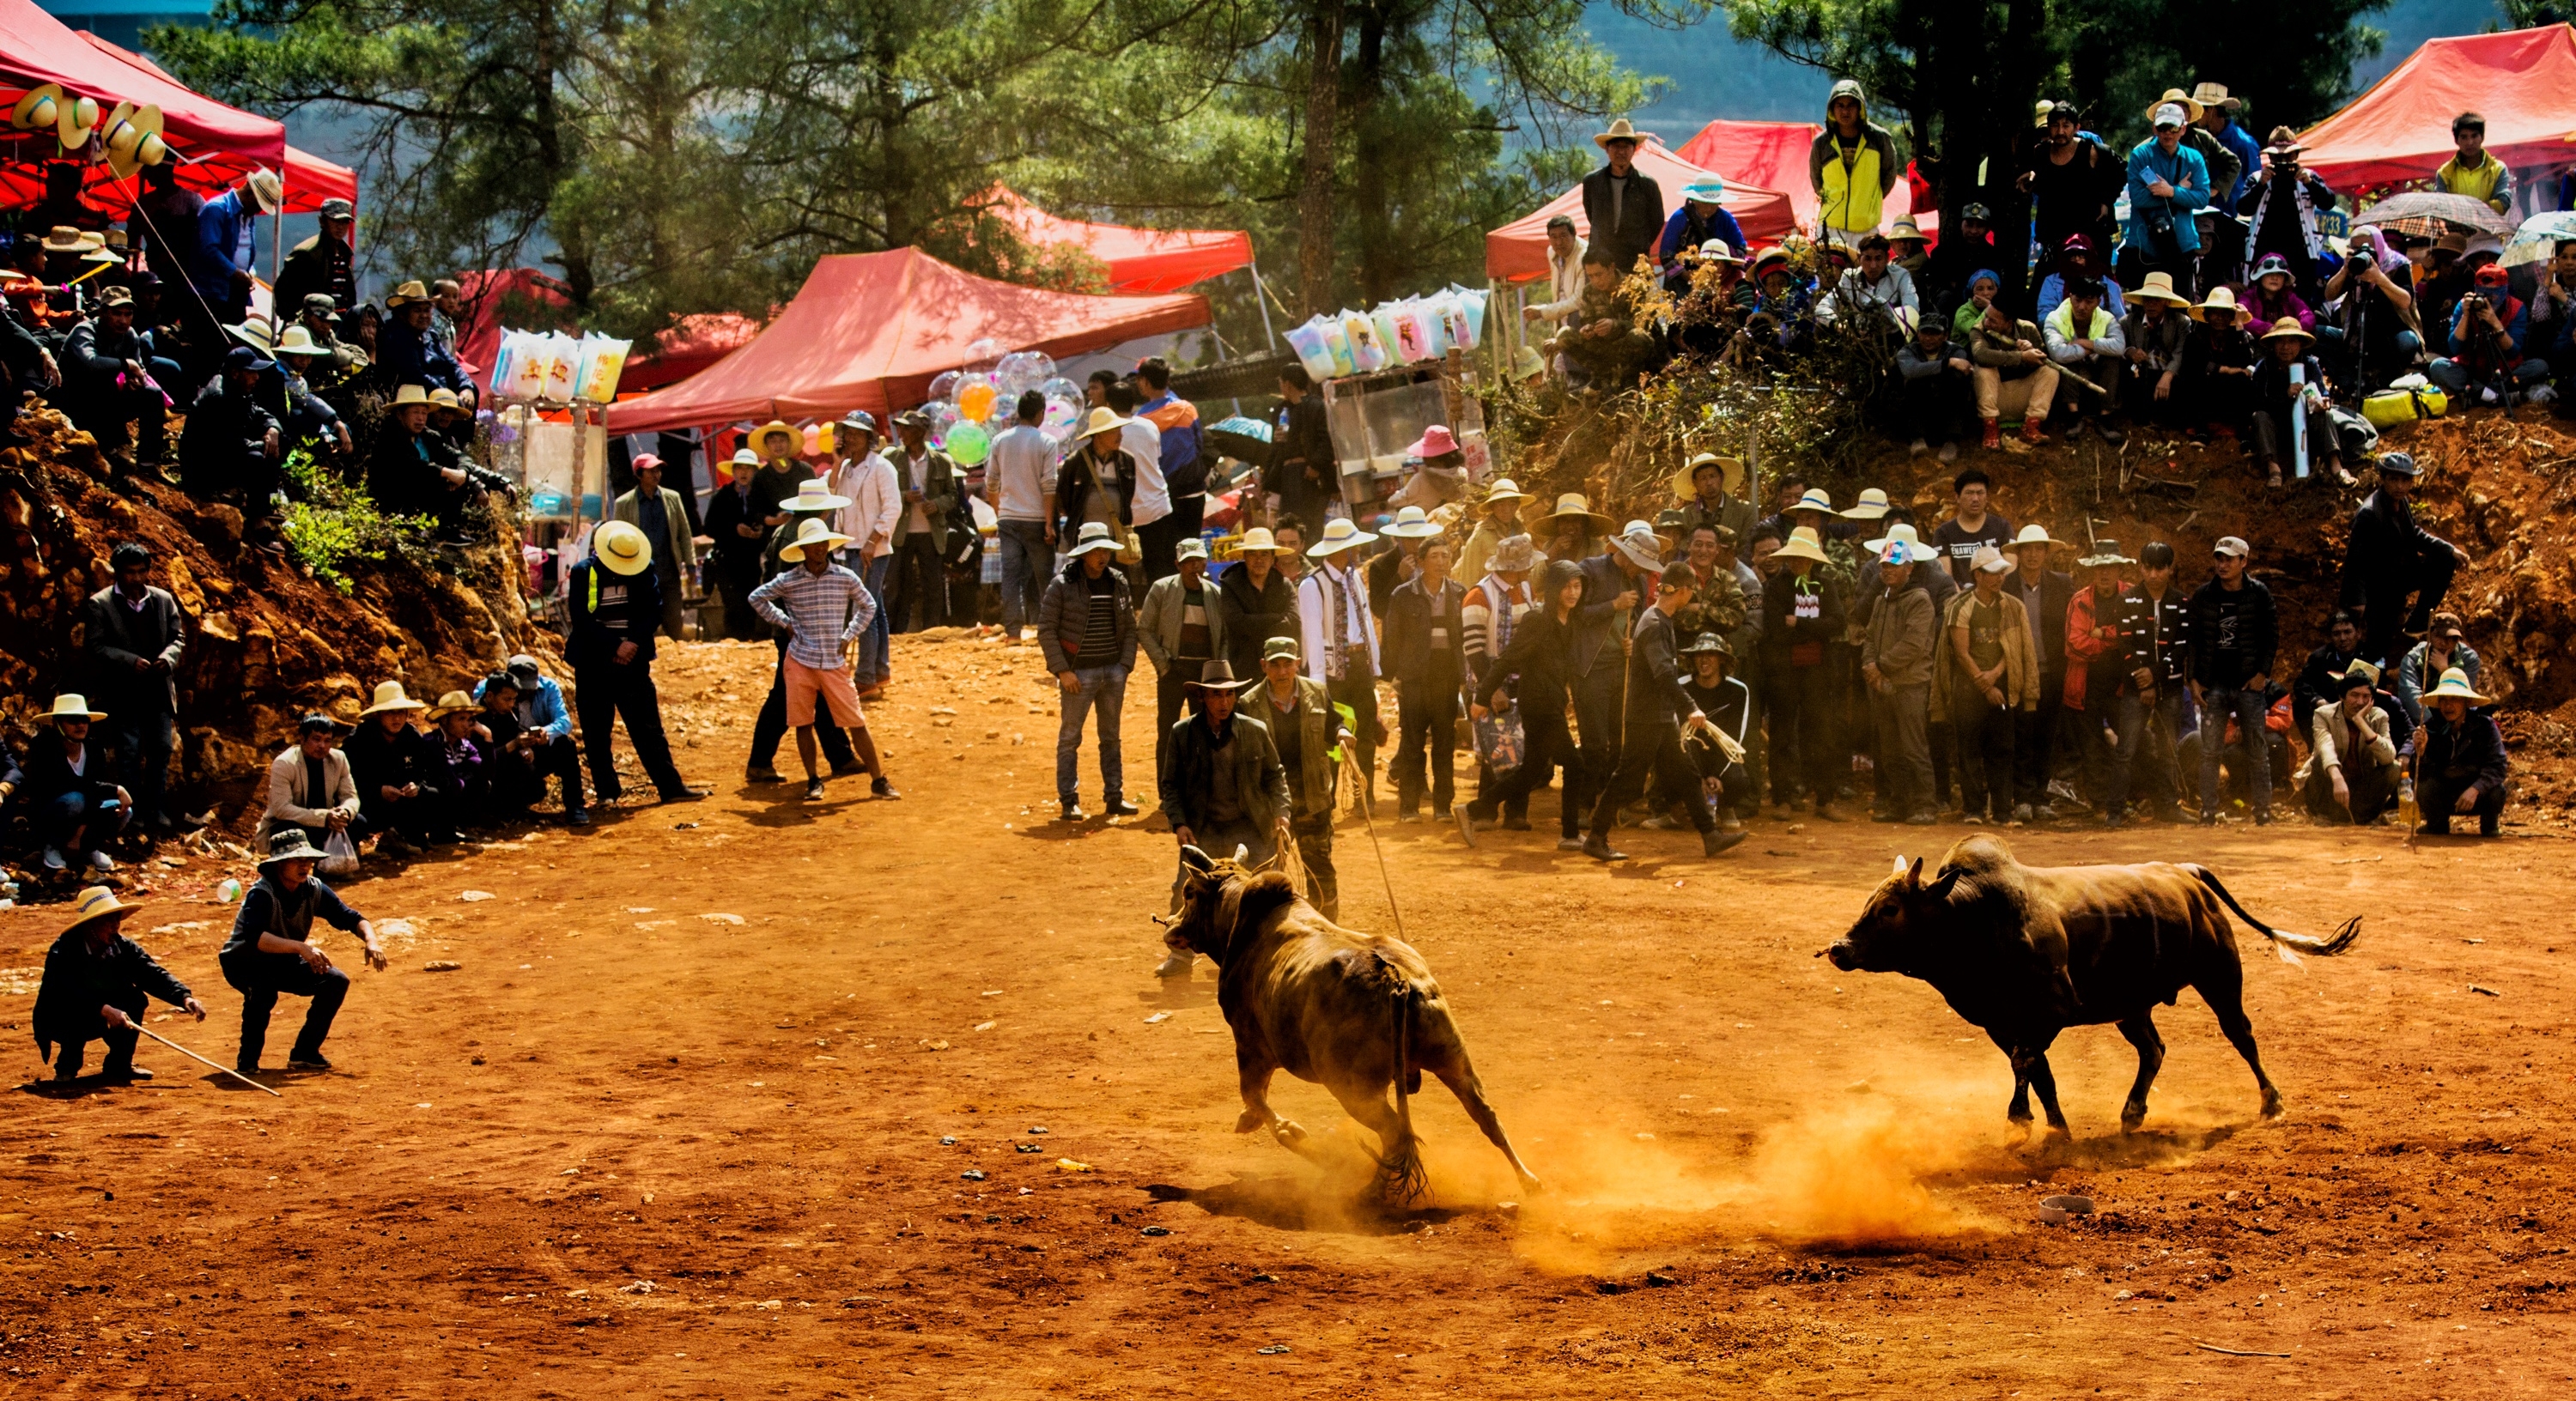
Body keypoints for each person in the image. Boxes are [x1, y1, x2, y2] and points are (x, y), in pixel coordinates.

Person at [1583, 561, 1747, 861]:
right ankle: (1595, 837)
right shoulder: (1656, 624)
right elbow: (1663, 675)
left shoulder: (1659, 620)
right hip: (1647, 717)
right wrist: (1691, 708)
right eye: (1691, 592)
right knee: (1627, 779)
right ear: (1683, 592)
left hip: (1659, 716)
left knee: (1687, 774)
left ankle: (1710, 835)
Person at [750, 516, 893, 804]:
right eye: (814, 544)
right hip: (801, 660)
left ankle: (878, 779)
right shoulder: (789, 580)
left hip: (832, 661)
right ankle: (813, 780)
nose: (819, 549)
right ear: (803, 549)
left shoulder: (844, 577)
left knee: (856, 721)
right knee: (803, 723)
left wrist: (848, 635)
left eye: (823, 543)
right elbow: (756, 597)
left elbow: (868, 605)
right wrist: (784, 622)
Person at [221, 828, 386, 1076]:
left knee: (335, 981)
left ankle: (305, 1053)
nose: (305, 866)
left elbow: (351, 917)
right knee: (263, 993)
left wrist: (371, 941)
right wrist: (301, 947)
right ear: (279, 864)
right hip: (244, 962)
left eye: (308, 860)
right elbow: (256, 939)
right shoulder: (261, 894)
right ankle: (248, 1062)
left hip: (281, 958)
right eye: (298, 860)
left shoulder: (313, 888)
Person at [568, 519, 706, 806]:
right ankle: (607, 792)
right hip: (594, 662)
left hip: (633, 661)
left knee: (648, 727)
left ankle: (670, 786)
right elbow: (581, 619)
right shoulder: (583, 573)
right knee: (596, 730)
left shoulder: (644, 570)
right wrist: (615, 645)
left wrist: (631, 643)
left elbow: (654, 611)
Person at [1461, 559, 1590, 849]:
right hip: (1538, 705)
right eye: (1567, 586)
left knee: (1530, 771)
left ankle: (1471, 810)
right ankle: (1569, 834)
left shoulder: (1569, 621)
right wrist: (1482, 698)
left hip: (1552, 703)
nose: (1572, 592)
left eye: (1577, 586)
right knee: (1575, 764)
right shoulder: (1537, 620)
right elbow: (1508, 659)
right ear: (1555, 587)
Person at [32, 887, 206, 1085]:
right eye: (108, 921)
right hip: (62, 1015)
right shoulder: (64, 950)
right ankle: (66, 1068)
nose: (115, 926)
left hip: (102, 1010)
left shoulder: (122, 947)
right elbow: (66, 992)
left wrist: (184, 996)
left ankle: (119, 1064)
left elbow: (150, 972)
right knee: (74, 1012)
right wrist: (104, 1009)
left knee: (134, 999)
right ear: (90, 925)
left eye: (117, 920)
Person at [1231, 636, 1349, 925]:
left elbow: (1334, 722)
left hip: (1313, 796)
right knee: (1267, 871)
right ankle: (1268, 932)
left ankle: (1326, 929)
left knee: (1319, 866)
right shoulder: (1248, 703)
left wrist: (1342, 733)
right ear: (1264, 666)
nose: (1282, 672)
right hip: (1270, 803)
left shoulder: (1318, 692)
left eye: (1288, 664)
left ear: (1298, 664)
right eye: (1275, 665)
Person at [82, 542, 185, 835]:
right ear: (117, 572)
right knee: (128, 754)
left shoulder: (163, 600)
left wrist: (168, 659)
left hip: (158, 692)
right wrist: (129, 661)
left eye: (142, 571)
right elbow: (95, 645)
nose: (137, 579)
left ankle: (157, 810)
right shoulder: (100, 604)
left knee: (161, 751)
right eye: (130, 573)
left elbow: (178, 638)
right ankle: (133, 813)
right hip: (124, 693)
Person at [1040, 521, 1139, 821]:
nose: (1102, 556)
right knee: (1070, 738)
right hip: (1077, 675)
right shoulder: (1062, 585)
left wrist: (1124, 666)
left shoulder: (1118, 581)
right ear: (1083, 554)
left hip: (1112, 672)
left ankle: (1114, 797)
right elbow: (1046, 630)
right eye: (1096, 550)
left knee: (1111, 736)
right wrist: (1062, 671)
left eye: (1105, 550)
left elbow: (1130, 628)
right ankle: (1069, 801)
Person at [1158, 658, 1294, 874]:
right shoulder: (1182, 733)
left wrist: (1281, 811)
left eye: (1229, 694)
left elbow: (1274, 776)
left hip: (1249, 825)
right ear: (1202, 696)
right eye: (1216, 694)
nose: (1224, 703)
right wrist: (1179, 823)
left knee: (1265, 889)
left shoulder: (1255, 731)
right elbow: (1171, 785)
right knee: (1187, 895)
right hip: (1204, 829)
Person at [1934, 546, 2037, 825]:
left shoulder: (2011, 607)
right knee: (1969, 750)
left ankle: (2002, 811)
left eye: (2002, 571)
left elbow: (2012, 649)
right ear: (1978, 575)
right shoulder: (1961, 607)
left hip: (1999, 685)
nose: (2000, 577)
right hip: (1968, 689)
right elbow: (1961, 653)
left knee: (2002, 748)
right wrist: (1985, 684)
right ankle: (1974, 810)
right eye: (1993, 572)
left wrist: (1995, 676)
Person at [2333, 452, 2461, 672]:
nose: (2400, 486)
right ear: (2382, 479)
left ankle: (2418, 622)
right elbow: (2356, 561)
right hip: (2378, 588)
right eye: (2394, 479)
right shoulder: (2369, 514)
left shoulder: (2401, 502)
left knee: (2445, 560)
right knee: (2378, 646)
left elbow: (2415, 535)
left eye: (2405, 480)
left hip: (2400, 575)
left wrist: (2450, 549)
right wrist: (2358, 601)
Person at [2190, 536, 2277, 824]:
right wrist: (2194, 679)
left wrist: (2262, 674)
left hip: (2247, 684)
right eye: (2219, 558)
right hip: (2213, 683)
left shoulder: (2259, 593)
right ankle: (2208, 811)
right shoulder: (2203, 595)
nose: (2222, 564)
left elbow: (2270, 636)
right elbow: (2194, 641)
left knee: (2257, 748)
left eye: (2229, 559)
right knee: (2210, 751)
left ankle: (2263, 809)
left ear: (2244, 561)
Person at [1297, 517, 1385, 804]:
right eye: (1353, 548)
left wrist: (1374, 665)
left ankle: (1365, 794)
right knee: (1332, 737)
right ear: (1340, 551)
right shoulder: (1313, 585)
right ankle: (1329, 796)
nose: (1357, 553)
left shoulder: (1354, 577)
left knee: (1367, 731)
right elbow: (1312, 635)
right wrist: (1319, 684)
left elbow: (1366, 623)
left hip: (1360, 665)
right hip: (1334, 672)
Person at [2105, 541, 2190, 828]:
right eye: (2148, 567)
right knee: (2126, 749)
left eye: (2160, 568)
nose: (2153, 574)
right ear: (2140, 567)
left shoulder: (2181, 602)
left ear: (2170, 569)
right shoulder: (2126, 600)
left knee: (2169, 750)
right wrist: (2143, 681)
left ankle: (2169, 806)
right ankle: (2114, 811)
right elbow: (2124, 644)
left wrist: (2154, 675)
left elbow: (2181, 648)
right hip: (2134, 686)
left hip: (2171, 686)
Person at [1762, 525, 1845, 818]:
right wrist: (1814, 630)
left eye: (1804, 557)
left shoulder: (1827, 586)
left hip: (1818, 672)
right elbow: (1774, 630)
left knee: (1821, 732)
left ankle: (1825, 799)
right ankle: (1782, 798)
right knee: (1782, 733)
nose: (1798, 562)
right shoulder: (1775, 587)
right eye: (1794, 557)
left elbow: (1838, 624)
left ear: (1814, 559)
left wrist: (1798, 623)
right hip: (1784, 672)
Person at [1385, 537, 1468, 822]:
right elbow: (1392, 637)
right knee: (1413, 741)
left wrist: (1463, 673)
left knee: (1445, 741)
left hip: (1446, 674)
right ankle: (1409, 807)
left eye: (1446, 555)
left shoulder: (1459, 593)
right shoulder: (1403, 595)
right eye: (1435, 556)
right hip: (1414, 675)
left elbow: (1464, 637)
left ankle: (1443, 806)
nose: (1441, 561)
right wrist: (1393, 675)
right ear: (1420, 562)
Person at [1139, 537, 1230, 782]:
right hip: (1173, 670)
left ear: (1206, 563)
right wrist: (1163, 665)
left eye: (1199, 561)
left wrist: (1218, 670)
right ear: (1177, 564)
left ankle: (1200, 788)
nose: (1194, 568)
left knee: (1204, 732)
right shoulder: (1162, 589)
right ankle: (1166, 790)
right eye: (1188, 562)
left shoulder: (1216, 594)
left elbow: (1224, 636)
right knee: (1168, 731)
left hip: (1204, 675)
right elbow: (1144, 629)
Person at [1858, 541, 1937, 825]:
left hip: (1910, 685)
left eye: (1894, 565)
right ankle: (1901, 803)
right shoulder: (1882, 600)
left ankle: (1926, 805)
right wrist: (1870, 666)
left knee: (1913, 747)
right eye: (1884, 566)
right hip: (1882, 685)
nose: (1888, 570)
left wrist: (1879, 667)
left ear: (1909, 567)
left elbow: (1914, 645)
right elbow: (1869, 637)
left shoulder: (1920, 600)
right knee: (1889, 749)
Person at [59, 285, 171, 469]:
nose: (123, 320)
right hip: (75, 401)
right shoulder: (85, 331)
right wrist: (127, 365)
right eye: (117, 314)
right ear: (102, 312)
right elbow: (91, 362)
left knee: (153, 394)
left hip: (106, 399)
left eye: (128, 314)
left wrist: (135, 381)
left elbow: (139, 369)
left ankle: (148, 462)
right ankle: (111, 447)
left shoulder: (129, 336)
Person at [830, 411, 902, 691]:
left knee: (864, 611)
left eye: (858, 434)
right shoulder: (846, 467)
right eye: (848, 433)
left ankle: (866, 678)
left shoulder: (882, 467)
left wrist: (873, 541)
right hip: (849, 547)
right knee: (875, 609)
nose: (851, 438)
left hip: (871, 548)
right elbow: (830, 492)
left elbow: (893, 508)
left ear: (869, 438)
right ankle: (880, 670)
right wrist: (837, 463)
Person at [2008, 525, 2074, 822]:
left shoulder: (2062, 585)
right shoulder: (2006, 585)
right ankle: (2021, 796)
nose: (2033, 555)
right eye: (2027, 549)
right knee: (2021, 733)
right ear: (2018, 553)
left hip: (2053, 670)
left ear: (2046, 553)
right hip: (2018, 672)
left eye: (2038, 549)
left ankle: (2041, 797)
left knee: (2048, 736)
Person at [22, 693, 130, 874]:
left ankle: (88, 847)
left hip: (84, 810)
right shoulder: (42, 747)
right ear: (58, 724)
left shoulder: (94, 748)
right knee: (75, 800)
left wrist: (78, 835)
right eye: (73, 720)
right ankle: (52, 846)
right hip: (52, 811)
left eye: (84, 720)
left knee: (123, 810)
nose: (80, 725)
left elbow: (93, 791)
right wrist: (116, 789)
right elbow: (64, 785)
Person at [473, 655, 587, 825]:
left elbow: (564, 722)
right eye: (509, 697)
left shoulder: (549, 688)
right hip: (501, 752)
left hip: (533, 747)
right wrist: (514, 745)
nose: (524, 693)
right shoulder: (488, 690)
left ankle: (575, 806)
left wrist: (544, 733)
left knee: (566, 745)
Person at [183, 346, 284, 523]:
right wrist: (263, 445)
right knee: (257, 458)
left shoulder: (234, 388)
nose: (257, 377)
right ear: (236, 373)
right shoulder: (219, 398)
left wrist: (273, 429)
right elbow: (230, 443)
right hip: (201, 468)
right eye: (251, 372)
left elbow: (258, 412)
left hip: (220, 454)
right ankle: (258, 521)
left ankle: (262, 507)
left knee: (276, 441)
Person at [986, 391, 1056, 641]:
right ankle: (1048, 631)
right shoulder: (1047, 441)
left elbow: (991, 482)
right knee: (1045, 578)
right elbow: (1049, 484)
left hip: (1008, 518)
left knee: (1011, 576)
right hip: (1036, 518)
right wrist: (1049, 522)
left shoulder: (1000, 441)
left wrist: (999, 510)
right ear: (1040, 413)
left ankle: (1013, 632)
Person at [2404, 667, 2508, 837]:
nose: (2448, 705)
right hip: (2445, 795)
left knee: (2497, 791)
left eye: (2454, 699)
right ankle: (2436, 824)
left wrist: (2476, 789)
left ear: (2466, 702)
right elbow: (2419, 776)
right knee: (2423, 787)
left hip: (2476, 795)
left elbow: (2498, 766)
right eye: (2444, 699)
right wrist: (2421, 753)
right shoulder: (2431, 728)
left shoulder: (2485, 726)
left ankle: (2490, 825)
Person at [2431, 264, 2553, 407]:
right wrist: (2466, 316)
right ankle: (2496, 396)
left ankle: (2483, 394)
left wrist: (2495, 322)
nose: (2489, 298)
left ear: (2505, 290)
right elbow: (2455, 348)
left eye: (2495, 293)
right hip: (2472, 369)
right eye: (2483, 292)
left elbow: (2513, 351)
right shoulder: (2465, 305)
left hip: (2505, 369)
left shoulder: (2517, 308)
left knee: (2539, 366)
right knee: (2438, 366)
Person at [2297, 660, 2401, 825]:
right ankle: (2324, 814)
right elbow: (2325, 746)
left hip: (2360, 788)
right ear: (2342, 696)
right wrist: (2337, 776)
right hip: (2331, 784)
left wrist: (2361, 723)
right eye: (2354, 695)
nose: (2360, 702)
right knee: (2319, 761)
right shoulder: (2324, 714)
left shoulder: (2379, 716)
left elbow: (2388, 757)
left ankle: (2364, 816)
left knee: (2394, 768)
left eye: (2366, 697)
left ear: (2372, 700)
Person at [343, 680, 444, 851]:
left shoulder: (412, 736)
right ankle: (351, 847)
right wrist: (377, 791)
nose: (396, 718)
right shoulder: (359, 739)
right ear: (378, 715)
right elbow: (346, 779)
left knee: (433, 795)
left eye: (400, 712)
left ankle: (408, 837)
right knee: (354, 816)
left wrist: (416, 787)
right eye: (390, 713)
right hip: (369, 803)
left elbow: (425, 771)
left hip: (402, 802)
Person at [2125, 102, 2212, 297]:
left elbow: (2202, 198)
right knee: (2143, 307)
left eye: (2173, 128)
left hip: (2182, 244)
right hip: (2144, 245)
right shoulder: (2140, 155)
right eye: (2163, 128)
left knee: (2181, 309)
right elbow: (2138, 198)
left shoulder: (2194, 158)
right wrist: (2181, 192)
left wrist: (2171, 191)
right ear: (2155, 128)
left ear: (2183, 129)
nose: (2168, 133)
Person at [2020, 104, 2123, 269]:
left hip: (2090, 233)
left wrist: (2106, 200)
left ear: (2076, 128)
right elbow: (2042, 177)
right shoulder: (2041, 152)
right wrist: (2034, 176)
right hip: (2056, 233)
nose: (2060, 131)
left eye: (2066, 126)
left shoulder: (2091, 150)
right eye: (2055, 126)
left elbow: (2120, 171)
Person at [885, 409, 960, 632]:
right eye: (900, 428)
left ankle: (931, 629)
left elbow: (953, 495)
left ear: (921, 432)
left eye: (907, 428)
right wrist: (904, 497)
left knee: (933, 584)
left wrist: (937, 505)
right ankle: (895, 631)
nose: (901, 433)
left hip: (931, 532)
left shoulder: (940, 462)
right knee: (898, 584)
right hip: (901, 532)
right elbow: (882, 494)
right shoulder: (891, 459)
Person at [610, 454, 698, 640]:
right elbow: (618, 538)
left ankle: (676, 660)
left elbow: (684, 533)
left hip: (669, 570)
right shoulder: (624, 504)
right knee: (642, 621)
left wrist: (690, 564)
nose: (656, 474)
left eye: (658, 470)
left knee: (674, 619)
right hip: (639, 573)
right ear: (639, 474)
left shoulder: (672, 498)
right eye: (651, 471)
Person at [2248, 317, 2341, 488]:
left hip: (2307, 429)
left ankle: (2336, 466)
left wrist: (2323, 403)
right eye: (2280, 342)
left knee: (2325, 415)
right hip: (2277, 429)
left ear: (2300, 344)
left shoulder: (2310, 365)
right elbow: (2257, 402)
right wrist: (2285, 395)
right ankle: (2273, 469)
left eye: (2291, 341)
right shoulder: (2264, 368)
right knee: (2259, 417)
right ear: (2273, 345)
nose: (2286, 347)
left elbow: (2322, 393)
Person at [2239, 136, 2337, 297]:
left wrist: (2310, 183)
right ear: (2270, 157)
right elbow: (2244, 208)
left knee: (2300, 298)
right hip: (2265, 250)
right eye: (2278, 158)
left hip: (2300, 253)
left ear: (2296, 156)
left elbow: (2328, 203)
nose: (2283, 162)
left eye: (2288, 157)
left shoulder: (2309, 176)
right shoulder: (2257, 178)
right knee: (2261, 297)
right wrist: (2260, 186)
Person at [1134, 358, 1204, 582]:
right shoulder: (1187, 410)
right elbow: (1200, 445)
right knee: (1192, 549)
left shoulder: (1140, 421)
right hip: (1193, 491)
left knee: (1168, 555)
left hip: (1163, 497)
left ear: (1144, 382)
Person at [702, 448, 781, 640]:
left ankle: (747, 644)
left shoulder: (761, 497)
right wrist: (733, 529)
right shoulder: (721, 497)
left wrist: (760, 532)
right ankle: (734, 642)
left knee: (750, 603)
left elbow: (771, 525)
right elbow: (710, 527)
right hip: (727, 561)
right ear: (734, 471)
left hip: (751, 561)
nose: (744, 473)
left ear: (755, 472)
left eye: (748, 469)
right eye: (740, 468)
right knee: (733, 605)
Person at [1546, 252, 1659, 385]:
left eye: (1599, 274)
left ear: (1611, 267)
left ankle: (1631, 381)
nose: (1596, 281)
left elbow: (1646, 325)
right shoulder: (1589, 291)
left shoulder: (1635, 287)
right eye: (1591, 276)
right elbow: (1588, 320)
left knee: (1638, 336)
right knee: (1565, 334)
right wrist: (1588, 329)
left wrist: (1615, 325)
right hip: (1604, 350)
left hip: (1631, 348)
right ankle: (1602, 376)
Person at [1810, 80, 1899, 246]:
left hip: (1867, 227)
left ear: (1860, 108)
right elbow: (1817, 181)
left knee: (1865, 271)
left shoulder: (1880, 139)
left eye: (1851, 105)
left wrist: (1870, 200)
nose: (1845, 111)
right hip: (1830, 226)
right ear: (1832, 109)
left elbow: (1889, 175)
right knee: (1831, 272)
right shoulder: (1821, 142)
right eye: (1840, 106)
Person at [1965, 298, 2060, 450]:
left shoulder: (2028, 329)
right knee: (1983, 369)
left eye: (1993, 321)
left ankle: (2031, 426)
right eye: (1986, 316)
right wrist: (2020, 357)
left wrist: (2032, 349)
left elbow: (2044, 359)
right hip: (1995, 397)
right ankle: (1990, 428)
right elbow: (1981, 355)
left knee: (2050, 371)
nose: (1987, 322)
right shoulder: (1979, 330)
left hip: (2022, 397)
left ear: (2009, 323)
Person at [2042, 280, 2127, 443]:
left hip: (2097, 369)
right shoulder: (2055, 318)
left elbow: (2119, 347)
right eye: (2078, 300)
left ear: (2098, 302)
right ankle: (2073, 416)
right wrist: (2089, 350)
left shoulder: (2107, 318)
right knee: (2067, 361)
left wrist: (2086, 344)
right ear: (2070, 297)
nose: (2082, 307)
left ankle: (2105, 418)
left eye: (2089, 301)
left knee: (2112, 361)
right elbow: (2058, 353)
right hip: (2073, 371)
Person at [1583, 118, 1666, 276]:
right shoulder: (1592, 181)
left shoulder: (1647, 185)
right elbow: (1591, 215)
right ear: (1607, 149)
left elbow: (1656, 221)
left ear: (1634, 149)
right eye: (1616, 147)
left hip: (1634, 262)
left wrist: (1638, 242)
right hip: (1600, 261)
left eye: (1626, 147)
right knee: (1599, 301)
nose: (1621, 152)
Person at [263, 713, 361, 845]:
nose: (322, 745)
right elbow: (282, 809)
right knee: (285, 830)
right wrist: (324, 817)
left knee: (359, 822)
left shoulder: (338, 759)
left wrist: (345, 812)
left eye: (327, 740)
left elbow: (350, 796)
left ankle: (330, 863)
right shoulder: (285, 763)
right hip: (298, 822)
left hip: (328, 823)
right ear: (302, 739)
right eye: (316, 739)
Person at [1213, 526, 1298, 677]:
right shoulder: (1230, 585)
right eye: (1253, 554)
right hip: (1243, 667)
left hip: (1280, 667)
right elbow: (1236, 622)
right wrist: (1277, 618)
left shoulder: (1284, 585)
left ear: (1273, 558)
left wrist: (1252, 624)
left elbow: (1293, 622)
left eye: (1264, 554)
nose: (1259, 559)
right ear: (1245, 557)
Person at [1891, 314, 1974, 461]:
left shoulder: (1956, 350)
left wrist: (1948, 365)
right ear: (1918, 333)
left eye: (1934, 333)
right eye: (1924, 333)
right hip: (1919, 406)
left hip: (1946, 405)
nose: (1928, 338)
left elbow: (1962, 368)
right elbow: (1911, 370)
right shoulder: (1908, 351)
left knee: (1956, 379)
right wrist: (1948, 363)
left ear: (1945, 335)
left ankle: (1951, 440)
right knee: (1915, 382)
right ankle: (1917, 438)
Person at [374, 281, 472, 403]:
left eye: (427, 310)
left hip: (439, 393)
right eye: (417, 311)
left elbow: (452, 364)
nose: (424, 315)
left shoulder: (429, 335)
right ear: (402, 314)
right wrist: (447, 395)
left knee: (471, 393)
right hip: (414, 399)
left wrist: (466, 387)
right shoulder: (396, 337)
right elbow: (416, 375)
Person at [1266, 367, 1334, 540]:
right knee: (1290, 523)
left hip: (1308, 474)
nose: (1280, 388)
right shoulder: (1282, 410)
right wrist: (1276, 438)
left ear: (1288, 384)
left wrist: (1316, 465)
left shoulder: (1316, 406)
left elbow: (1327, 439)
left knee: (1310, 524)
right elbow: (1276, 445)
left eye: (1281, 383)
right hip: (1288, 475)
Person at [2119, 271, 2194, 427]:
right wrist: (2131, 352)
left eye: (2156, 300)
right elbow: (2119, 346)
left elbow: (2179, 352)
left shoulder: (2181, 322)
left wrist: (2167, 376)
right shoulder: (2129, 322)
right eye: (2147, 300)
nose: (2151, 304)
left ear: (2166, 301)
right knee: (2131, 372)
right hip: (2138, 370)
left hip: (2168, 372)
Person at [1816, 232, 1917, 331]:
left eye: (1878, 259)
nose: (1873, 265)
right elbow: (1822, 307)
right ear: (1860, 259)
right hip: (1859, 338)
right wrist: (1837, 324)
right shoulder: (1849, 278)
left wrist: (1890, 317)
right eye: (1868, 259)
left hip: (1891, 336)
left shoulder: (1900, 276)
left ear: (1886, 258)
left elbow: (1911, 310)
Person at [1927, 468, 2013, 584]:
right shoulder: (1944, 533)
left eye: (1980, 493)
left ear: (1987, 496)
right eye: (1969, 493)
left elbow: (2011, 570)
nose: (1975, 499)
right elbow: (1946, 577)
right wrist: (1965, 601)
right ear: (1957, 497)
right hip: (1958, 598)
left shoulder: (2002, 527)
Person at [2395, 613, 2479, 728]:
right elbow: (2411, 695)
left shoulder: (2469, 658)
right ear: (2429, 635)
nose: (2444, 643)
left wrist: (2445, 671)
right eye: (2439, 636)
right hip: (2424, 720)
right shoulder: (2413, 658)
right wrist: (2433, 726)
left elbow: (2465, 694)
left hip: (2456, 713)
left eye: (2450, 639)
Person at [2431, 112, 2514, 215]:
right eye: (2464, 137)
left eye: (2474, 136)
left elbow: (2503, 204)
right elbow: (2441, 208)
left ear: (2482, 137)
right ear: (2456, 141)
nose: (2470, 142)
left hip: (2490, 230)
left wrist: (2466, 210)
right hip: (2457, 231)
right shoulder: (2445, 173)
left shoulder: (2498, 169)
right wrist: (2482, 207)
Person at [1455, 477, 1530, 585]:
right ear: (1492, 506)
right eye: (1501, 504)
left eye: (1512, 503)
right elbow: (1469, 580)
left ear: (1518, 505)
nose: (1507, 509)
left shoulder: (1523, 534)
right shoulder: (1480, 538)